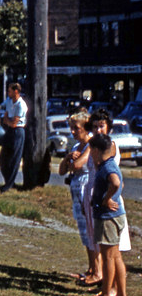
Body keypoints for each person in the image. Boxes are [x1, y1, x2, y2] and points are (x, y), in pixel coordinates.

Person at [88, 133, 130, 296]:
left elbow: (116, 183)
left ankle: (106, 294)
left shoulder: (107, 167)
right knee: (116, 256)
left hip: (108, 218)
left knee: (108, 257)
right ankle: (121, 294)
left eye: (91, 150)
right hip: (116, 216)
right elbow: (121, 183)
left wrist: (106, 199)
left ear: (97, 151)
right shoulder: (111, 164)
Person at [58, 110, 98, 286]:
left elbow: (79, 165)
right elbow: (61, 170)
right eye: (71, 128)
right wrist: (67, 157)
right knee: (84, 232)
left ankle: (97, 270)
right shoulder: (75, 147)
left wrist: (73, 161)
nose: (73, 132)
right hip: (76, 191)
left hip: (86, 190)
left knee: (91, 232)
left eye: (76, 128)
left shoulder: (91, 145)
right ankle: (91, 267)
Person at [0, 82, 28, 192]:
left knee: (14, 158)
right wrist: (8, 121)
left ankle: (9, 184)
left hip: (18, 131)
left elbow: (14, 123)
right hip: (9, 131)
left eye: (10, 90)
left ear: (16, 91)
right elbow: (5, 117)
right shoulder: (9, 101)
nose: (8, 92)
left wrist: (8, 121)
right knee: (2, 159)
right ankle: (8, 181)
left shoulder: (21, 105)